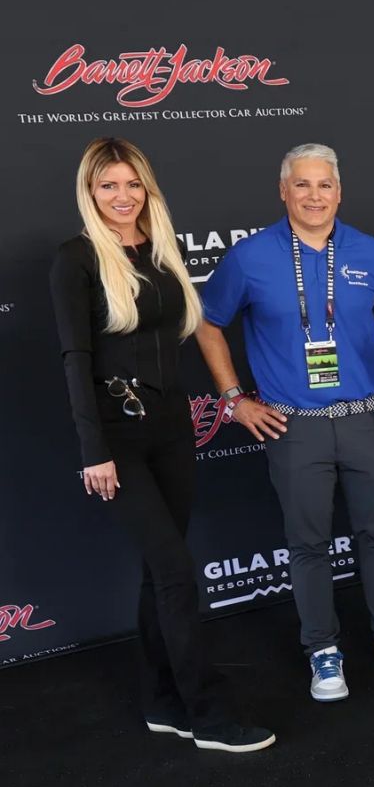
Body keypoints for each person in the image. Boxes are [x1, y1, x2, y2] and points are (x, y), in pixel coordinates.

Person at [51, 138, 275, 753]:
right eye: (108, 186)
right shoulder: (76, 259)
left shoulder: (160, 251)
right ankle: (208, 715)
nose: (122, 197)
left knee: (161, 572)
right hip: (116, 435)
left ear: (147, 188)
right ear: (89, 192)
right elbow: (75, 359)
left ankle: (162, 702)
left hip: (172, 427)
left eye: (132, 184)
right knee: (176, 572)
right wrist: (93, 450)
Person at [195, 143, 374, 702]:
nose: (314, 195)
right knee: (307, 543)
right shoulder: (251, 256)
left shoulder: (370, 251)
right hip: (294, 426)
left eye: (324, 184)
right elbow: (208, 324)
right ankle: (323, 650)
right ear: (283, 191)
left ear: (339, 192)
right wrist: (233, 399)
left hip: (365, 417)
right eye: (301, 184)